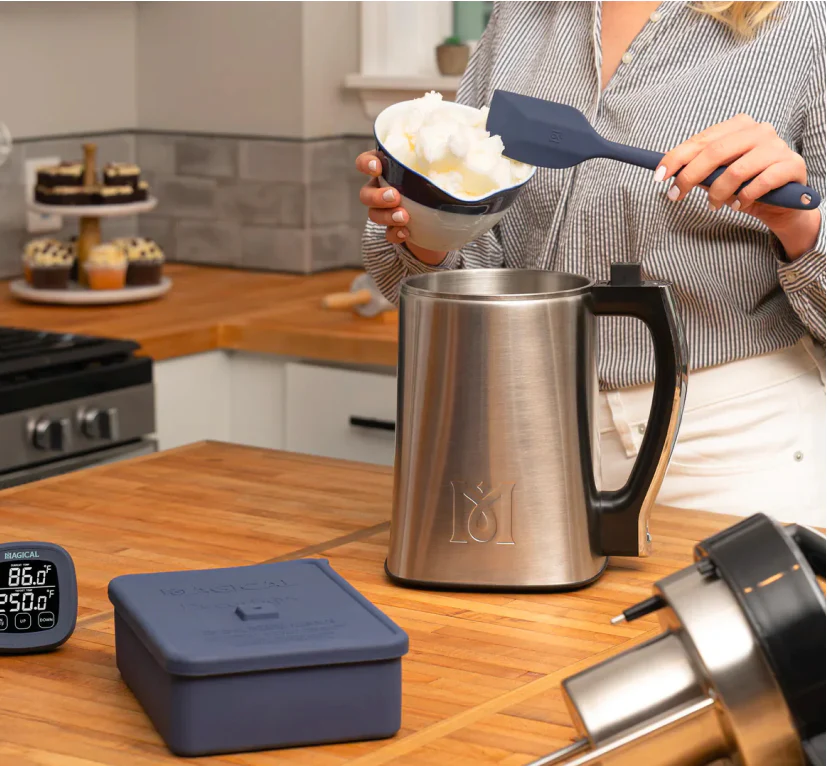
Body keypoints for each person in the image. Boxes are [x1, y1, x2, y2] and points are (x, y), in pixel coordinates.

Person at [354, 1, 826, 524]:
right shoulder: (523, 15)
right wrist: (425, 225)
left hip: (728, 450)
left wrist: (800, 227)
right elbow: (462, 266)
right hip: (528, 435)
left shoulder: (807, 22)